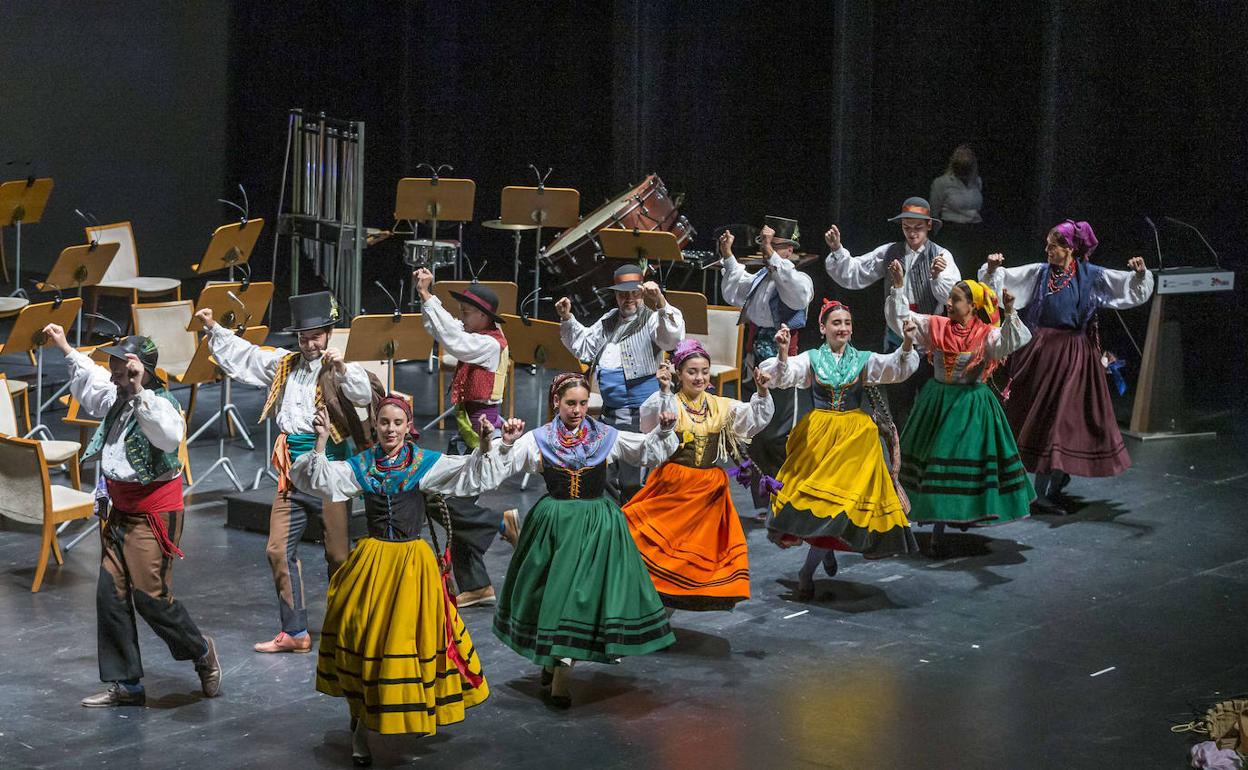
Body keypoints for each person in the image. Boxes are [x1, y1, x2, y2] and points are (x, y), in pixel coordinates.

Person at [290, 397, 498, 765]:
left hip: (412, 565)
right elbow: (320, 479)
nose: (390, 429)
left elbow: (468, 474)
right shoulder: (363, 464)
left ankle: (414, 708)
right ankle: (361, 726)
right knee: (367, 642)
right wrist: (321, 441)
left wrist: (484, 446)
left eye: (397, 422)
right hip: (373, 564)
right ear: (377, 426)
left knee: (413, 640)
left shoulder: (422, 463)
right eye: (384, 422)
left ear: (407, 426)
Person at [43, 325, 222, 707]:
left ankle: (201, 652)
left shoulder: (159, 405)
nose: (114, 375)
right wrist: (64, 346)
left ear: (143, 373)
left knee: (150, 598)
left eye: (122, 370)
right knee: (110, 595)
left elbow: (168, 436)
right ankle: (128, 684)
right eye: (115, 368)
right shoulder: (116, 396)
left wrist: (140, 389)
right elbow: (91, 380)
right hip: (118, 510)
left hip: (152, 512)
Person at [200, 291, 381, 653]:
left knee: (338, 555)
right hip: (292, 472)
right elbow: (248, 356)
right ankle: (295, 631)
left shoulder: (340, 369)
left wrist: (342, 367)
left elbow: (364, 393)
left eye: (316, 336)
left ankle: (348, 627)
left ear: (329, 334)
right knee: (277, 550)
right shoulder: (285, 364)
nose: (310, 343)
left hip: (330, 470)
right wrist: (214, 329)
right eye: (303, 337)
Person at [490, 373, 679, 708]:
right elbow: (505, 463)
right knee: (554, 595)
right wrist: (506, 442)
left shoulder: (605, 436)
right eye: (570, 403)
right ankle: (553, 662)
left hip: (596, 527)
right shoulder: (541, 439)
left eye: (582, 403)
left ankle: (561, 672)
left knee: (580, 599)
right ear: (556, 403)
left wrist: (663, 431)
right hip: (556, 525)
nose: (577, 410)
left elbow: (644, 450)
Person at [979, 220, 1154, 513]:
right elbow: (1005, 282)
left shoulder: (1090, 276)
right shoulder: (1040, 272)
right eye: (1047, 244)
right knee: (1040, 419)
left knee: (1065, 421)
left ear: (1070, 248)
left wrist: (1138, 275)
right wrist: (994, 270)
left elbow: (1124, 288)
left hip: (1075, 357)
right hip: (1042, 353)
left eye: (1053, 245)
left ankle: (1050, 484)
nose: (1047, 250)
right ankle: (1042, 487)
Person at [758, 300, 922, 597]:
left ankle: (807, 571)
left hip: (855, 442)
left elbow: (896, 368)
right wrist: (783, 352)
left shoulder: (862, 359)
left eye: (847, 323)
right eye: (836, 323)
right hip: (819, 440)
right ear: (822, 328)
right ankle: (817, 559)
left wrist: (908, 342)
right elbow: (785, 375)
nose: (843, 328)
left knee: (842, 508)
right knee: (821, 507)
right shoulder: (812, 359)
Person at [885, 263, 1034, 552]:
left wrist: (1011, 312)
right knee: (935, 460)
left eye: (956, 299)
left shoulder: (986, 335)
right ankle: (937, 527)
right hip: (938, 402)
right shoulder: (936, 326)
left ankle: (961, 515)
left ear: (972, 306)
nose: (949, 303)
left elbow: (1010, 342)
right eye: (949, 298)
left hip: (969, 405)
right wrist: (899, 286)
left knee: (961, 461)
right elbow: (902, 319)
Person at [622, 339, 773, 611]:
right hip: (674, 485)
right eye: (692, 371)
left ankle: (676, 599)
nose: (699, 377)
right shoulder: (668, 402)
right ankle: (653, 604)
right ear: (679, 373)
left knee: (695, 551)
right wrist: (665, 391)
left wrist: (761, 392)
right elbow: (650, 428)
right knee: (659, 545)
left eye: (704, 371)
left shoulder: (719, 406)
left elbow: (753, 420)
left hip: (707, 490)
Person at [414, 268, 517, 607]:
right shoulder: (479, 335)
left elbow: (454, 340)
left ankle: (499, 524)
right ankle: (477, 585)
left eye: (468, 311)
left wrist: (430, 297)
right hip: (465, 437)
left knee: (440, 500)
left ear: (485, 317)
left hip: (480, 440)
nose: (462, 316)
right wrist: (426, 296)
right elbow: (442, 328)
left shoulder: (488, 343)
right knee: (452, 506)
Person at [825, 197, 961, 424]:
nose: (912, 233)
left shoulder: (941, 255)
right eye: (907, 227)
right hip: (897, 335)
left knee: (930, 404)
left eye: (918, 227)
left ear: (929, 225)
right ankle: (901, 454)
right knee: (899, 403)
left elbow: (951, 299)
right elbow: (856, 272)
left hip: (930, 338)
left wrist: (937, 277)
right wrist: (837, 249)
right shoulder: (890, 252)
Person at [557, 264, 685, 502]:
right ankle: (617, 516)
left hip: (638, 413)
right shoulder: (609, 319)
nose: (629, 299)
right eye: (622, 294)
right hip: (610, 413)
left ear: (642, 293)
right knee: (603, 472)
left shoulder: (653, 319)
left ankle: (632, 521)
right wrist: (567, 317)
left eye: (634, 293)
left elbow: (672, 339)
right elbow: (584, 346)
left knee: (630, 477)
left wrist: (661, 302)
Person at [716, 217, 815, 513]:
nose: (769, 251)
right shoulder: (762, 278)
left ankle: (788, 496)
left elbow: (794, 292)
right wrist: (728, 256)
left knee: (779, 433)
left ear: (789, 251)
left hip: (783, 364)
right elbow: (735, 290)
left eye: (777, 247)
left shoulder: (799, 280)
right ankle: (765, 498)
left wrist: (771, 253)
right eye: (767, 245)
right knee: (756, 432)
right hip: (756, 361)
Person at [929, 145, 986, 277]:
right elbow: (934, 212)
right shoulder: (942, 183)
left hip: (974, 232)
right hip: (952, 233)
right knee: (953, 273)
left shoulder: (977, 181)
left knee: (973, 272)